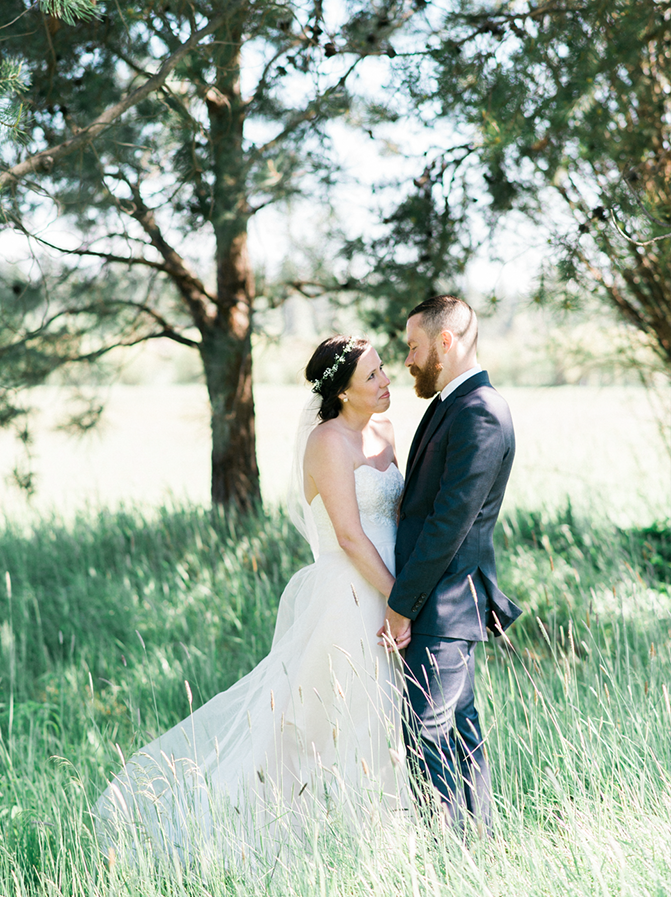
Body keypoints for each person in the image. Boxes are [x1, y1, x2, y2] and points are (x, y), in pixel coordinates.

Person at [96, 334, 410, 864]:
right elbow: (351, 536)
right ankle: (296, 832)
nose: (385, 383)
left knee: (387, 713)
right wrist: (402, 599)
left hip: (392, 587)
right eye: (372, 377)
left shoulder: (384, 429)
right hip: (350, 596)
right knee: (332, 716)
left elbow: (396, 514)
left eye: (382, 370)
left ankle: (385, 834)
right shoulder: (327, 443)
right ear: (342, 393)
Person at [379, 294, 519, 835]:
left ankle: (449, 866)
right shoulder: (449, 405)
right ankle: (477, 852)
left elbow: (447, 526)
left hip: (443, 601)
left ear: (446, 341)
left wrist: (400, 605)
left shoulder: (480, 413)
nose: (407, 359)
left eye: (414, 346)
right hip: (442, 601)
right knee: (460, 739)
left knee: (428, 740)